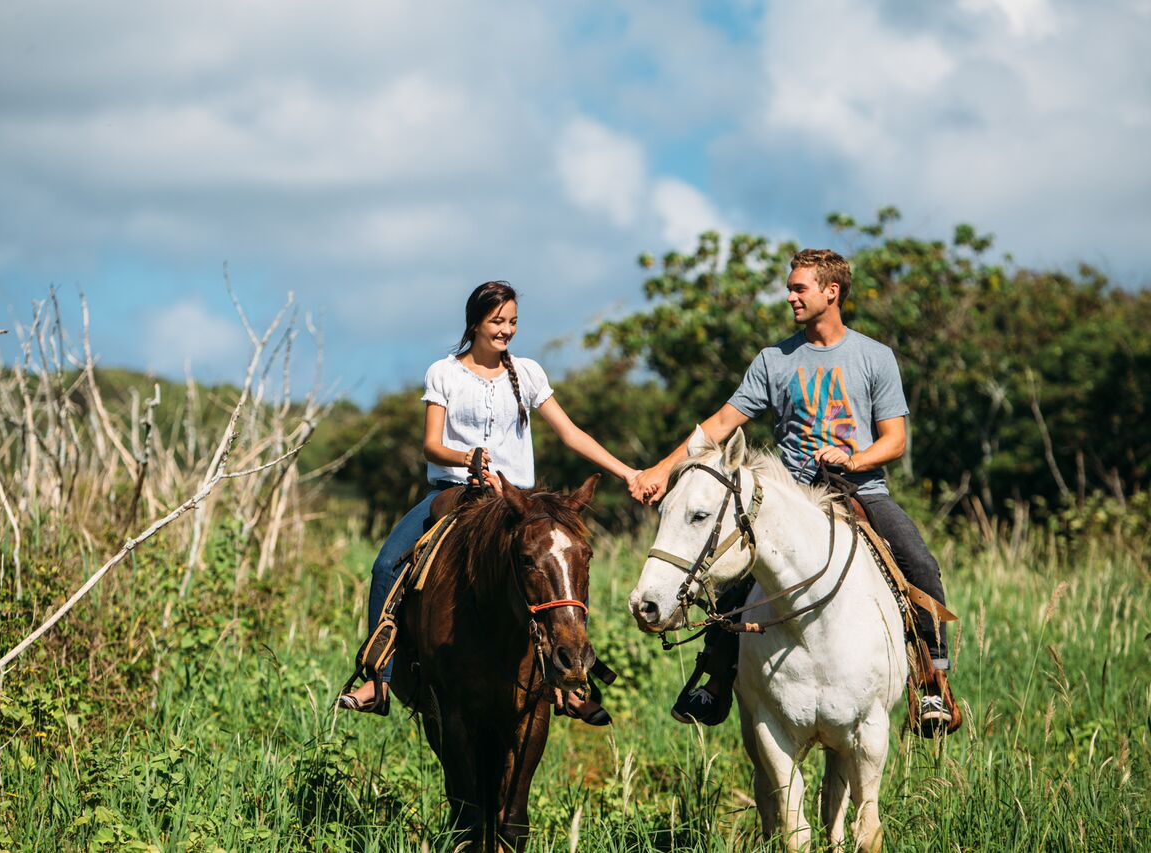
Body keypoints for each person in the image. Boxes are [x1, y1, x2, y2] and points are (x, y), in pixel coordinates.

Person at [631, 249, 957, 732]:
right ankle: (715, 680)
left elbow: (894, 440)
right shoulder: (773, 360)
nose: (790, 297)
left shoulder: (874, 357)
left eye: (799, 288)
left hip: (860, 490)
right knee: (732, 582)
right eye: (790, 288)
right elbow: (721, 424)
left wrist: (853, 459)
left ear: (832, 291)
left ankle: (931, 685)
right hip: (792, 498)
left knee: (920, 565)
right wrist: (662, 468)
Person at [338, 280, 642, 724]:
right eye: (497, 321)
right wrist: (468, 457)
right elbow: (430, 445)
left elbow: (570, 433)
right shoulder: (443, 373)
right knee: (386, 565)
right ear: (475, 323)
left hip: (518, 500)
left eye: (513, 322)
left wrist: (627, 472)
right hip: (455, 491)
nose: (506, 330)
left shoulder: (530, 373)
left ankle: (571, 683)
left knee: (559, 570)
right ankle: (377, 679)